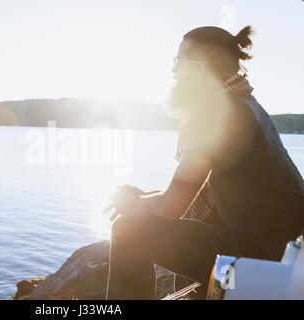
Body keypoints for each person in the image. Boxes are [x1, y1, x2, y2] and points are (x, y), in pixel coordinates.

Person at [104, 25, 304, 300]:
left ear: (203, 67)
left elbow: (171, 207)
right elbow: (191, 192)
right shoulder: (244, 102)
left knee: (128, 229)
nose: (174, 71)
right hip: (287, 256)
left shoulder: (215, 110)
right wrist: (145, 197)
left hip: (269, 266)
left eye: (179, 62)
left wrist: (134, 204)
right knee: (190, 229)